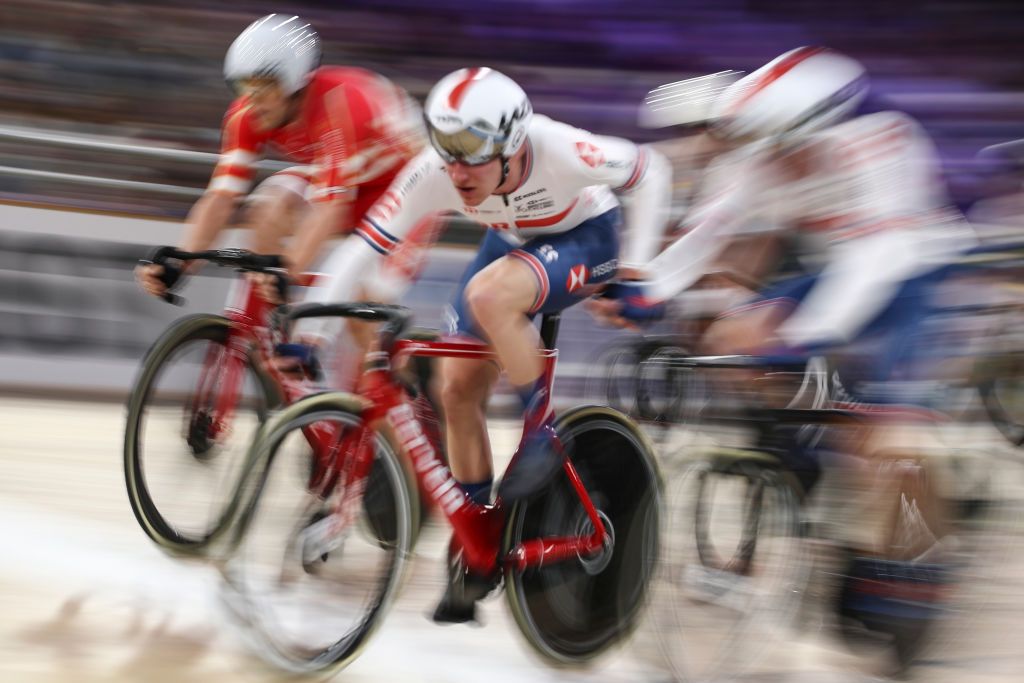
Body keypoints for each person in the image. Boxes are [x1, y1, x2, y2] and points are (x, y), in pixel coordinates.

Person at [594, 46, 976, 660]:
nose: (770, 163)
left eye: (783, 150)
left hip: (908, 272)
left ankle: (920, 560)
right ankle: (795, 452)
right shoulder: (759, 151)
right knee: (732, 332)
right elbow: (707, 233)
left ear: (817, 130)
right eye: (763, 149)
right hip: (835, 270)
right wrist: (645, 290)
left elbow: (870, 265)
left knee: (892, 441)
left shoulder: (879, 144)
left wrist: (802, 338)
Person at [301, 66, 671, 622]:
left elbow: (652, 170)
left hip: (586, 238)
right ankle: (477, 539)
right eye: (446, 147)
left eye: (472, 150)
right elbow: (364, 245)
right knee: (454, 386)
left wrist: (639, 270)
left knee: (489, 295)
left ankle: (541, 436)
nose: (457, 167)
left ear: (513, 141)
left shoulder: (561, 148)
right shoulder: (435, 172)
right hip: (511, 240)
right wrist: (312, 331)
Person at [135, 14, 423, 309]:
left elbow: (331, 207)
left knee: (361, 304)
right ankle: (261, 333)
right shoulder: (246, 114)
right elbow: (221, 197)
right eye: (243, 87)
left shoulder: (339, 106)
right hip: (350, 179)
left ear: (295, 83)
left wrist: (288, 272)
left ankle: (369, 352)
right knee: (269, 207)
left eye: (264, 88)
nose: (252, 100)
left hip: (405, 191)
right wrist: (182, 262)